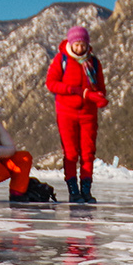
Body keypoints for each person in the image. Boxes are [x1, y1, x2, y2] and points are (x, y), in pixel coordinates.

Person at [44, 26, 107, 203]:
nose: (80, 49)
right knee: (71, 153)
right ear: (71, 44)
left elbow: (101, 87)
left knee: (88, 154)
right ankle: (73, 191)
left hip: (88, 114)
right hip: (66, 112)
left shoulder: (93, 63)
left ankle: (86, 189)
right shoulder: (61, 59)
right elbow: (51, 83)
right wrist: (73, 90)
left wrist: (100, 97)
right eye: (77, 44)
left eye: (83, 45)